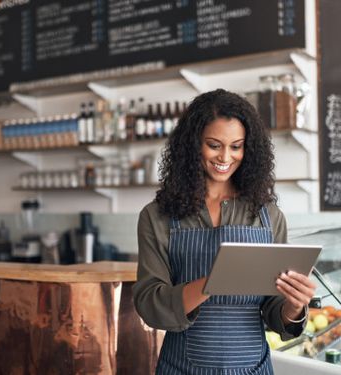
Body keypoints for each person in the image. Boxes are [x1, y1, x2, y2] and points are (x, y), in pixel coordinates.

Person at [133, 89, 316, 374]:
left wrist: (293, 305)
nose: (226, 157)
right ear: (193, 145)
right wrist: (212, 282)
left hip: (253, 367)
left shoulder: (267, 214)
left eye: (236, 146)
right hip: (181, 367)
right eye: (214, 145)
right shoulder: (157, 216)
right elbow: (149, 302)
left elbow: (274, 309)